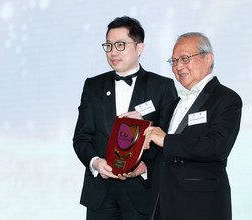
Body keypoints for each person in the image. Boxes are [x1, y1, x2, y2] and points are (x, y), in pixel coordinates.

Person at [72, 16, 177, 220]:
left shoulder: (162, 87)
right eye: (108, 45)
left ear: (139, 48)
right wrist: (95, 162)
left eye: (120, 45)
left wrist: (145, 166)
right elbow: (82, 137)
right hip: (100, 195)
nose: (113, 52)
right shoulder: (93, 86)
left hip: (143, 194)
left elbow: (170, 138)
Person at [144, 32, 242, 220]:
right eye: (173, 61)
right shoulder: (174, 104)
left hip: (201, 206)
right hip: (164, 204)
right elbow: (164, 152)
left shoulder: (227, 99)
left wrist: (166, 139)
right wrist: (143, 167)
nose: (178, 66)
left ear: (208, 59)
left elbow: (216, 147)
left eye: (185, 59)